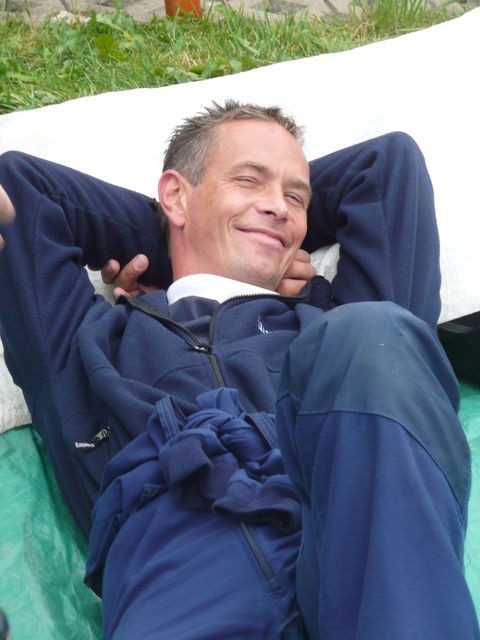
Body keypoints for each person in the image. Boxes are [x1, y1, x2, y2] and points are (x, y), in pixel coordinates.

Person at [0, 101, 478, 640]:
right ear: (175, 195)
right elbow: (20, 191)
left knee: (374, 332)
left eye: (297, 198)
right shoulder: (89, 344)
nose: (278, 207)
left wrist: (238, 228)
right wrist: (173, 241)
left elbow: (387, 167)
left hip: (349, 528)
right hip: (183, 576)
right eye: (249, 180)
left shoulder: (332, 328)